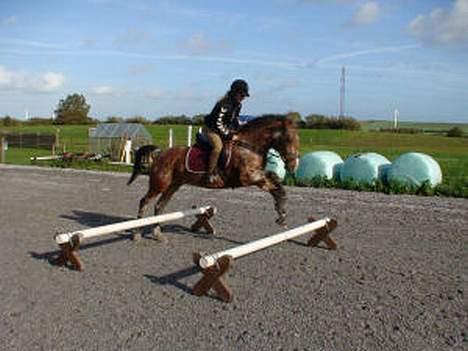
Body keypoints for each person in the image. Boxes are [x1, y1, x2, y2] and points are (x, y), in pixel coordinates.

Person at [203, 79, 250, 185]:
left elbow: (235, 120)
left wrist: (240, 131)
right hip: (211, 129)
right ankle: (209, 175)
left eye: (244, 96)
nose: (243, 98)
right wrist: (230, 135)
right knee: (218, 147)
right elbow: (218, 124)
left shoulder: (238, 105)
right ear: (234, 93)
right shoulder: (223, 105)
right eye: (241, 95)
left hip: (223, 129)